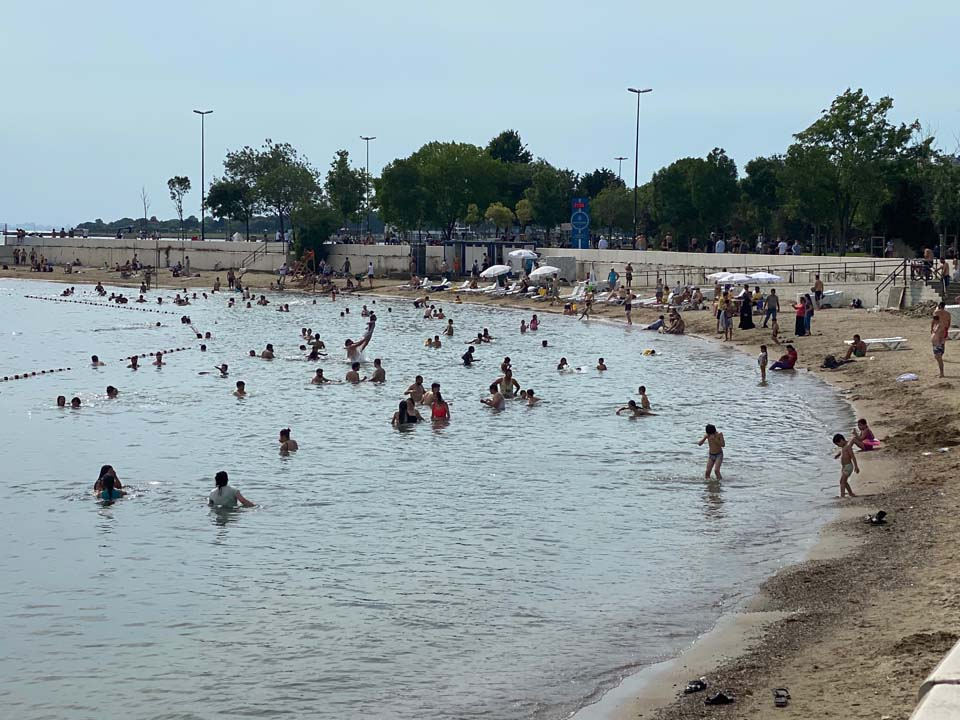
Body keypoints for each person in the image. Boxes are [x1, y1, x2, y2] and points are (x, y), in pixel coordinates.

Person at [932, 302, 950, 378]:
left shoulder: (936, 314)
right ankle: (941, 372)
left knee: (938, 356)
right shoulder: (947, 314)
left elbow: (933, 322)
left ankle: (941, 373)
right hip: (942, 334)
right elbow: (949, 323)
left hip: (938, 340)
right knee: (938, 356)